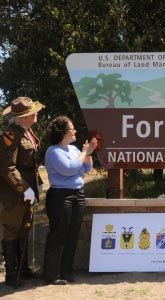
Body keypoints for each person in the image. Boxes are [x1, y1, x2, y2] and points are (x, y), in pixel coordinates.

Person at [43, 116, 97, 285]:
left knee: (73, 234)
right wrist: (83, 154)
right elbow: (70, 169)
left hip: (78, 194)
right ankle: (52, 275)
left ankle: (66, 272)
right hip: (60, 196)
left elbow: (87, 168)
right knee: (59, 235)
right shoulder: (53, 151)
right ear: (63, 132)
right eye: (72, 128)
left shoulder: (73, 150)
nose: (75, 131)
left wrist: (87, 154)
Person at [0, 97, 44, 287]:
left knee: (25, 227)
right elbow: (7, 166)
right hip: (13, 192)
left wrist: (38, 183)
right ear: (22, 118)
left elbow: (31, 164)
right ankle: (11, 274)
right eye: (32, 113)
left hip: (29, 187)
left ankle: (23, 269)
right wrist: (23, 188)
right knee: (12, 229)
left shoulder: (28, 131)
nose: (35, 114)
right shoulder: (10, 134)